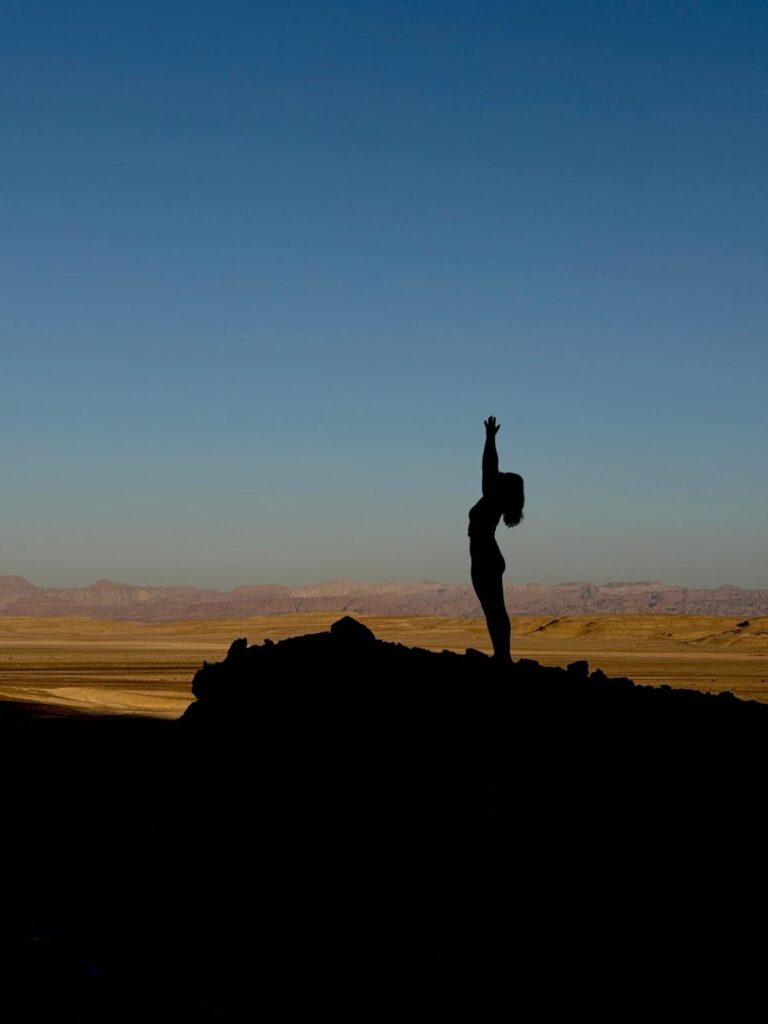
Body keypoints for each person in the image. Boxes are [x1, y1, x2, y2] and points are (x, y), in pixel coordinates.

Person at [468, 416, 525, 663]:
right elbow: (490, 469)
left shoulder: (492, 498)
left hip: (486, 556)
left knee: (495, 610)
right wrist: (489, 440)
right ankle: (502, 654)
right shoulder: (493, 499)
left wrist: (490, 440)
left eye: (503, 476)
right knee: (493, 609)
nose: (498, 475)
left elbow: (489, 468)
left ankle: (503, 656)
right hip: (487, 554)